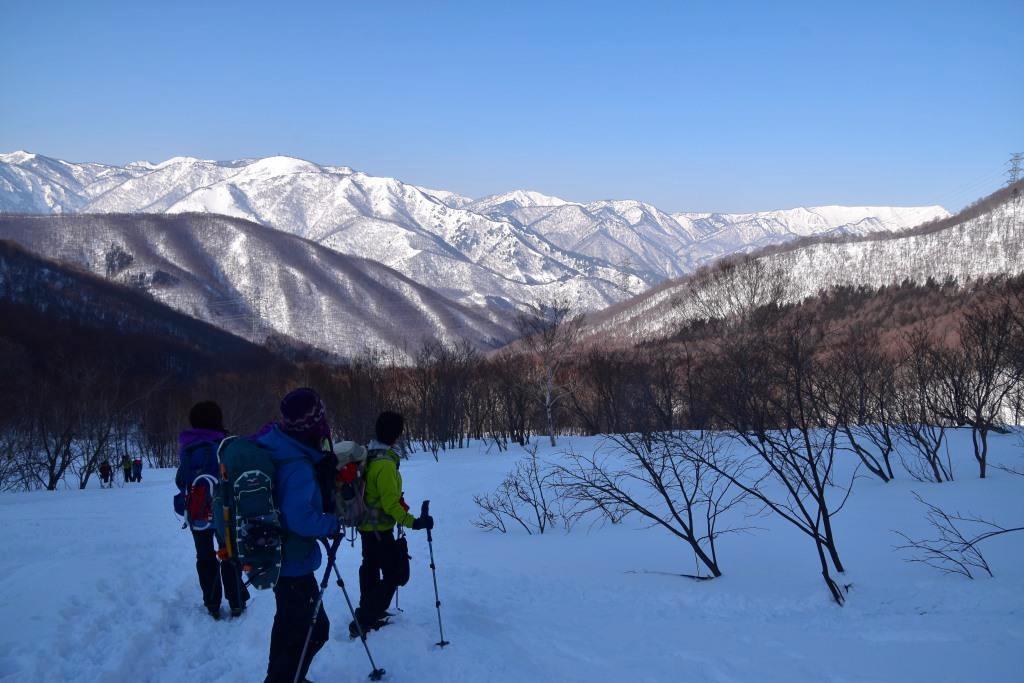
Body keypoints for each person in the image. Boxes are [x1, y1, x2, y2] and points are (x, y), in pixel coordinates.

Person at [255, 388, 340, 683]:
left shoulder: (278, 445)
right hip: (292, 559)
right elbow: (299, 518)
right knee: (313, 631)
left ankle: (283, 677)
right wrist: (331, 523)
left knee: (289, 625)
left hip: (280, 556)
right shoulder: (297, 465)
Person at [350, 411, 433, 639]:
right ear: (396, 434)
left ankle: (368, 610)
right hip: (379, 529)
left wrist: (400, 506)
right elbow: (390, 504)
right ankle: (366, 617)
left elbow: (383, 497)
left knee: (370, 567)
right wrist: (414, 522)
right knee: (394, 574)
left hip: (367, 527)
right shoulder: (385, 464)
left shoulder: (372, 455)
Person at [175, 401, 248, 620]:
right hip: (223, 510)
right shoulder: (224, 445)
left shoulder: (187, 447)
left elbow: (181, 480)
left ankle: (212, 602)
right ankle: (236, 600)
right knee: (229, 553)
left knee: (204, 557)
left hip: (197, 513)